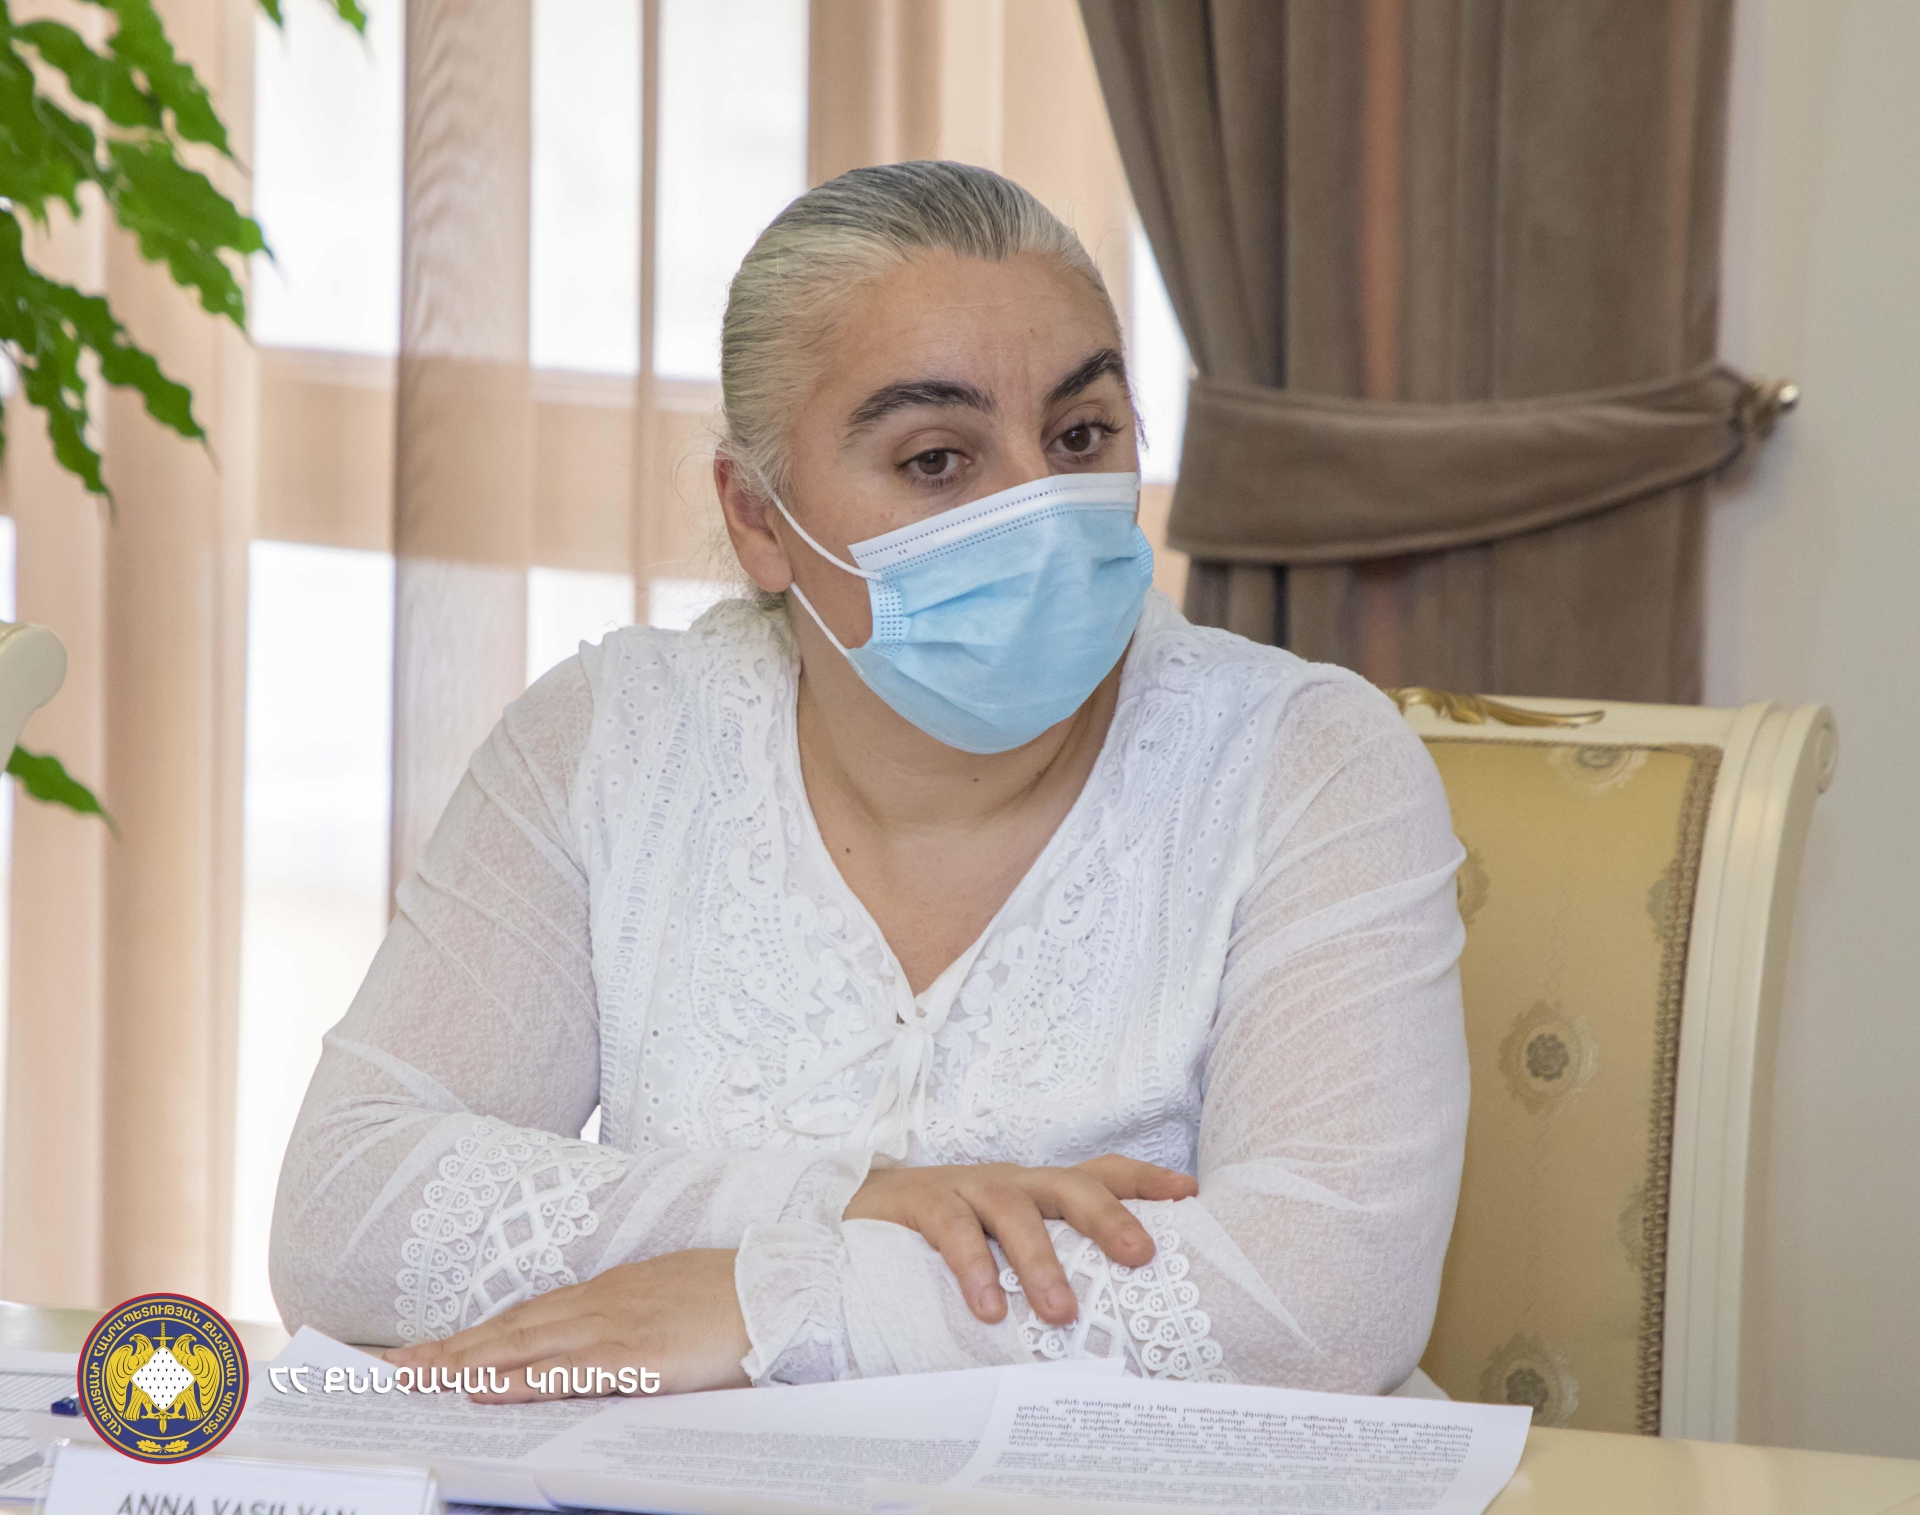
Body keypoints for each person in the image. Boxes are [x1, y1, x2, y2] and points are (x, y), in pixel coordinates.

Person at [270, 160, 1469, 1399]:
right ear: (758, 518)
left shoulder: (1308, 763)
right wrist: (845, 1198)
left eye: (1080, 436)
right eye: (938, 460)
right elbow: (341, 1213)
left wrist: (770, 1300)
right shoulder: (608, 741)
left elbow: (1330, 1297)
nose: (1040, 510)